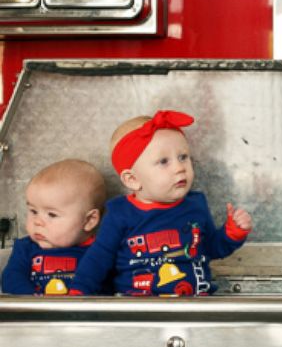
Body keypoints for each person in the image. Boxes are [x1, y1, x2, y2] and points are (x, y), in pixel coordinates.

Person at [69, 110, 253, 296]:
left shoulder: (196, 206)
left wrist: (232, 232)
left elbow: (212, 248)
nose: (180, 167)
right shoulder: (120, 214)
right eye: (164, 161)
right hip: (138, 310)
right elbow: (98, 260)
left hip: (195, 307)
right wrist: (79, 293)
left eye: (183, 157)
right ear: (133, 180)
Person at [1, 159, 108, 295]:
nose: (37, 222)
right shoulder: (25, 248)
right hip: (35, 313)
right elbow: (11, 279)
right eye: (33, 211)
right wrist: (35, 302)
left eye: (51, 214)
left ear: (89, 221)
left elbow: (110, 286)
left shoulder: (101, 252)